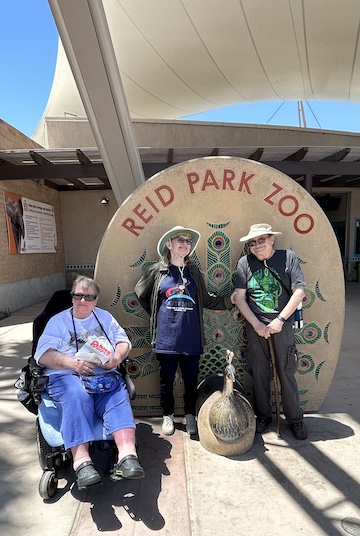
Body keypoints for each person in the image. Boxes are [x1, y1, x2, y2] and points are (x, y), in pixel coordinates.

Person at [34, 275, 144, 489]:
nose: (82, 300)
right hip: (67, 374)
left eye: (88, 296)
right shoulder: (58, 321)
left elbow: (123, 342)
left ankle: (128, 455)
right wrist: (71, 363)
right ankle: (82, 462)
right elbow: (43, 354)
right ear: (72, 297)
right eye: (78, 295)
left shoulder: (105, 318)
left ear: (96, 299)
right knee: (76, 394)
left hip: (102, 373)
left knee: (117, 394)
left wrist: (115, 359)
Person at [134, 225, 233, 436]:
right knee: (166, 380)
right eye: (180, 239)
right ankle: (168, 415)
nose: (184, 244)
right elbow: (141, 294)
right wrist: (158, 315)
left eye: (188, 241)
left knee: (191, 380)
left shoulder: (194, 272)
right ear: (169, 244)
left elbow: (205, 299)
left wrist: (229, 300)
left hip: (191, 338)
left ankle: (190, 415)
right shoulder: (157, 270)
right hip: (166, 339)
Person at [232, 223, 307, 440]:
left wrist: (280, 320)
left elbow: (299, 290)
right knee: (258, 372)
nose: (256, 246)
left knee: (286, 371)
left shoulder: (288, 257)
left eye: (261, 240)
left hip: (281, 326)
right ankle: (262, 415)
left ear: (272, 239)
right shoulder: (245, 263)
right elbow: (239, 296)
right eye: (252, 242)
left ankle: (295, 419)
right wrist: (256, 324)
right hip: (256, 326)